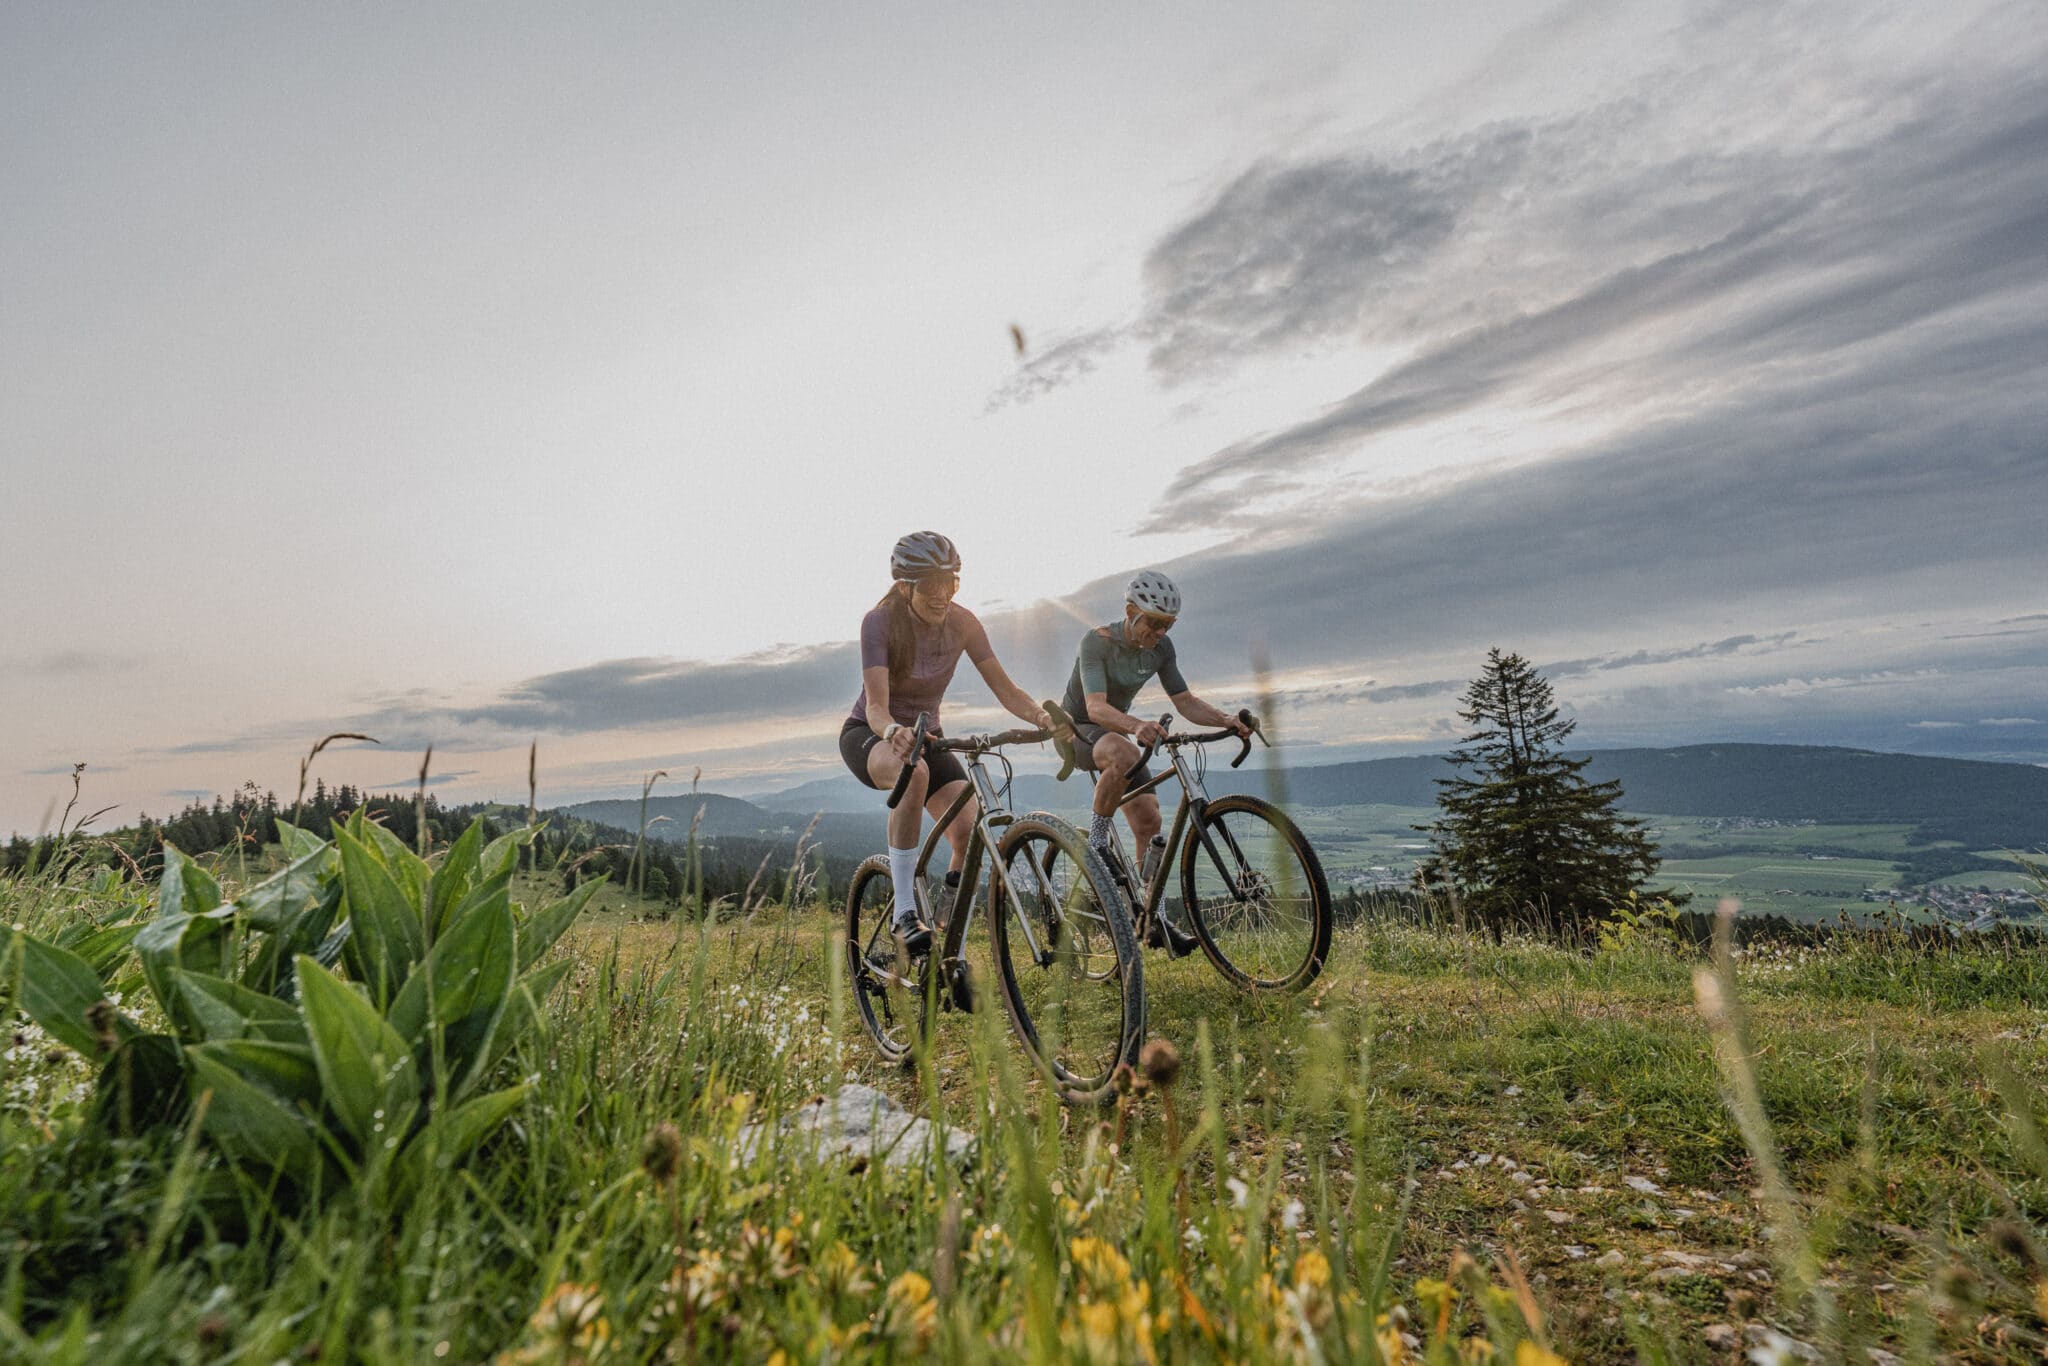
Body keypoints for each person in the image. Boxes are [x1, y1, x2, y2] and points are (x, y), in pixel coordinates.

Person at [841, 531, 1054, 955]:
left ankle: (943, 936)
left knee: (967, 832)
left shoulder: (964, 623)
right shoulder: (879, 622)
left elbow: (1005, 688)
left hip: (929, 740)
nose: (942, 595)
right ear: (905, 586)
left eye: (950, 583)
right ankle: (904, 914)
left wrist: (1041, 716)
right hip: (871, 736)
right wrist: (892, 732)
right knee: (913, 770)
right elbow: (878, 707)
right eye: (931, 586)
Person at [1060, 568, 1252, 951]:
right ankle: (1097, 843)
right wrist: (1135, 724)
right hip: (1078, 731)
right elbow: (1096, 708)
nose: (1160, 632)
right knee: (1123, 750)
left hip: (1119, 735)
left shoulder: (1161, 649)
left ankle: (1155, 921)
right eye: (1154, 622)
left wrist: (1227, 719)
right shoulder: (1096, 642)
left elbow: (1185, 702)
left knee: (1150, 820)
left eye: (1168, 625)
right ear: (1131, 611)